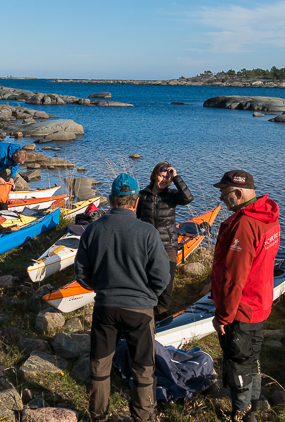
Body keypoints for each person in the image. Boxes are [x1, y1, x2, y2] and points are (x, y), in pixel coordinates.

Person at [74, 173, 170, 422]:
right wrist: (148, 295)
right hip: (140, 311)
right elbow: (162, 275)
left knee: (99, 367)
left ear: (111, 199)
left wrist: (102, 288)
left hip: (105, 307)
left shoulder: (93, 229)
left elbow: (81, 272)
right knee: (143, 369)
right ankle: (144, 416)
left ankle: (98, 416)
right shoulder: (147, 232)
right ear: (135, 201)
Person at [211, 170, 280, 422]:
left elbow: (234, 277)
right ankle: (254, 402)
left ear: (239, 193)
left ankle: (240, 413)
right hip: (260, 302)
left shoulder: (244, 225)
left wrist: (223, 316)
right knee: (252, 355)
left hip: (241, 307)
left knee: (237, 359)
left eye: (224, 192)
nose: (221, 197)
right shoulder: (269, 216)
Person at [136, 162, 194, 318]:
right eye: (161, 176)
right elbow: (135, 218)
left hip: (168, 245)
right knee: (147, 279)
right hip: (147, 246)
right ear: (155, 175)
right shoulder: (142, 195)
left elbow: (188, 198)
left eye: (167, 178)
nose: (163, 180)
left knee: (167, 281)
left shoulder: (172, 195)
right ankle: (147, 309)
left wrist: (176, 178)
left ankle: (161, 313)